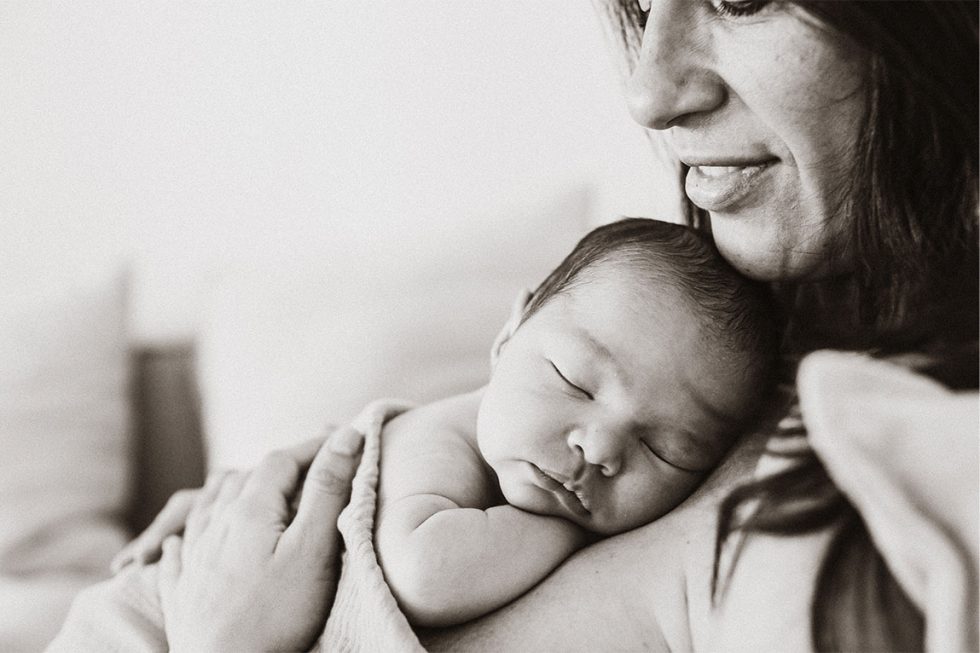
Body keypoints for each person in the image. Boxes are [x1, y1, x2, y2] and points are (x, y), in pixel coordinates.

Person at [57, 1, 979, 651]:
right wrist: (268, 500)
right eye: (643, 3)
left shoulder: (902, 468)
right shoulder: (762, 348)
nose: (648, 94)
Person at [115, 218, 778, 629]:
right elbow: (427, 572)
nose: (599, 446)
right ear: (511, 330)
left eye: (665, 447)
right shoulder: (434, 438)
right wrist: (569, 536)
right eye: (575, 381)